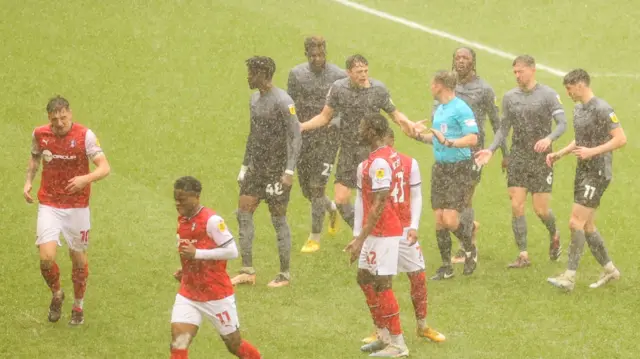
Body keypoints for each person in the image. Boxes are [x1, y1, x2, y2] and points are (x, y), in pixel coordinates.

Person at [300, 54, 414, 234]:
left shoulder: (378, 90)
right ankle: (364, 234)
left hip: (372, 152)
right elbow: (324, 116)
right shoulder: (338, 88)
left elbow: (395, 113)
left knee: (376, 199)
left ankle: (391, 231)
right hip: (348, 151)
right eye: (359, 71)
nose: (363, 75)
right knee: (341, 199)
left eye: (366, 71)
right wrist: (302, 126)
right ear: (348, 73)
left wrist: (409, 124)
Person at [24, 96, 111, 325]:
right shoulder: (40, 135)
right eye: (55, 119)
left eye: (63, 118)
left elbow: (105, 168)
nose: (60, 123)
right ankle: (57, 294)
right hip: (50, 204)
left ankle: (78, 306)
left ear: (70, 114)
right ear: (49, 119)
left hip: (77, 207)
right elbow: (34, 158)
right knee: (46, 258)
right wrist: (28, 182)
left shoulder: (85, 136)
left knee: (79, 260)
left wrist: (85, 179)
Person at [475, 55, 567, 268]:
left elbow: (562, 124)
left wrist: (549, 138)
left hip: (540, 159)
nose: (517, 75)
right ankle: (523, 255)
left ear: (532, 70)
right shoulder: (510, 97)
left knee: (541, 210)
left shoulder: (548, 95)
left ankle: (554, 233)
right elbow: (503, 128)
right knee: (517, 205)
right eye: (515, 72)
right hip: (518, 157)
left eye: (521, 71)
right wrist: (490, 149)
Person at [361, 128, 445, 348]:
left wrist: (414, 225)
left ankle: (422, 326)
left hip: (404, 228)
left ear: (391, 140)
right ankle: (381, 331)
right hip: (382, 231)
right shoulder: (371, 165)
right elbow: (365, 202)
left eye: (387, 140)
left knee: (417, 277)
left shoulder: (409, 163)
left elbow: (416, 195)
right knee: (373, 279)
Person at [546, 69, 625, 291]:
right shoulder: (579, 109)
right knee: (588, 226)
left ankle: (569, 277)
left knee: (575, 223)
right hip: (583, 171)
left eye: (570, 89)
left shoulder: (602, 108)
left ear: (580, 85)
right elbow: (580, 140)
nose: (568, 94)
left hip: (597, 172)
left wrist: (593, 152)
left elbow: (620, 139)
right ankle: (610, 270)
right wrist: (560, 154)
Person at [170, 176, 261, 359]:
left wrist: (197, 254)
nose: (177, 203)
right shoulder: (183, 220)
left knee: (234, 344)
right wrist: (187, 271)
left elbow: (232, 251)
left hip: (216, 294)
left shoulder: (212, 221)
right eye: (176, 198)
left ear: (196, 196)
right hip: (189, 293)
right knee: (179, 341)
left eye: (182, 199)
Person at [232, 56, 302, 288]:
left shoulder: (283, 101)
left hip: (277, 171)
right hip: (256, 169)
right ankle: (247, 270)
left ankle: (284, 274)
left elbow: (295, 136)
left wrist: (289, 170)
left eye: (252, 73)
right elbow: (253, 135)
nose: (249, 77)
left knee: (278, 219)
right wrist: (244, 166)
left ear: (263, 75)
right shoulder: (254, 99)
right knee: (243, 211)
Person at [344, 113, 408, 357]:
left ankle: (398, 344)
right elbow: (365, 200)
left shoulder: (379, 163)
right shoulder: (374, 160)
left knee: (382, 283)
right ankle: (382, 335)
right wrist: (358, 235)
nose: (359, 130)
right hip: (374, 232)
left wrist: (361, 239)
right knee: (364, 278)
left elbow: (380, 202)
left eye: (362, 126)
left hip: (384, 231)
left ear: (371, 131)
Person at [414, 70, 479, 280]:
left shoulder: (461, 108)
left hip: (458, 168)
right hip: (440, 168)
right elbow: (437, 138)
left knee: (451, 220)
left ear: (440, 85)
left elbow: (472, 139)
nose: (430, 87)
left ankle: (470, 248)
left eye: (432, 84)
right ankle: (446, 267)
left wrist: (449, 142)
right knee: (439, 220)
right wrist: (417, 135)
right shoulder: (440, 109)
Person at [287, 36, 347, 253]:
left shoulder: (339, 76)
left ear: (326, 53)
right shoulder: (296, 75)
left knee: (317, 186)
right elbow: (291, 105)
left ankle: (314, 237)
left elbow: (345, 107)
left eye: (320, 55)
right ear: (306, 55)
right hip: (305, 135)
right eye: (313, 55)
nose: (317, 59)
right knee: (307, 190)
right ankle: (330, 208)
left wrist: (337, 122)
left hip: (327, 139)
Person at [448, 47, 507, 264]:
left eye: (465, 58)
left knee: (464, 200)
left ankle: (466, 248)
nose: (461, 61)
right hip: (450, 150)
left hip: (474, 152)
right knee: (450, 202)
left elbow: (498, 123)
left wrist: (502, 152)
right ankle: (470, 228)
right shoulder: (449, 84)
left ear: (473, 63)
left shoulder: (483, 89)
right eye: (458, 57)